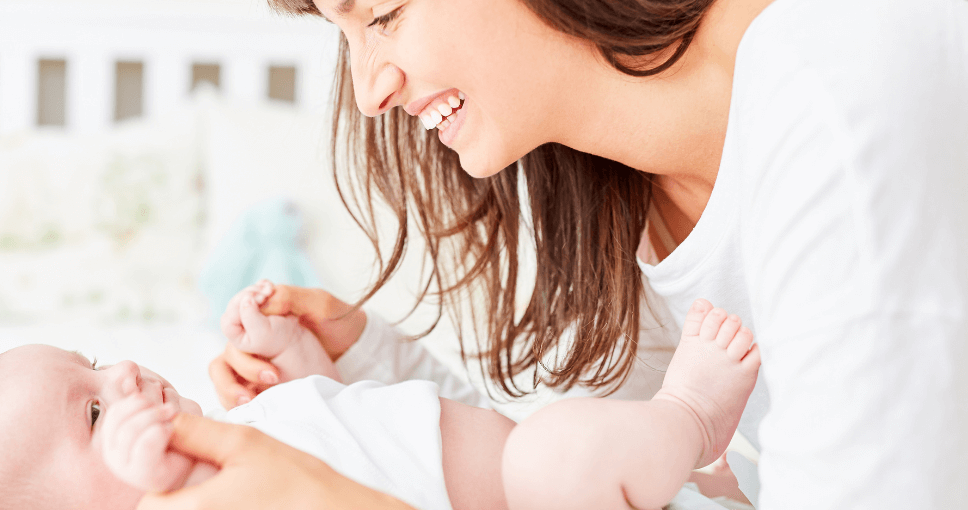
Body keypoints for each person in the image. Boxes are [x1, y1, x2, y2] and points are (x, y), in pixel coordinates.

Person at [146, 0, 968, 507]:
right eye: (344, 34)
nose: (369, 91)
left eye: (385, 12)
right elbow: (581, 476)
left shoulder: (835, 101)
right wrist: (362, 389)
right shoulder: (611, 190)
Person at [0, 280, 758, 510]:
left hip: (579, 476)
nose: (119, 375)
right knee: (557, 448)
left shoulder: (246, 436)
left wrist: (301, 354)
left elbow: (351, 424)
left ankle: (696, 466)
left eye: (93, 362)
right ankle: (689, 417)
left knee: (566, 436)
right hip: (540, 490)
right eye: (92, 414)